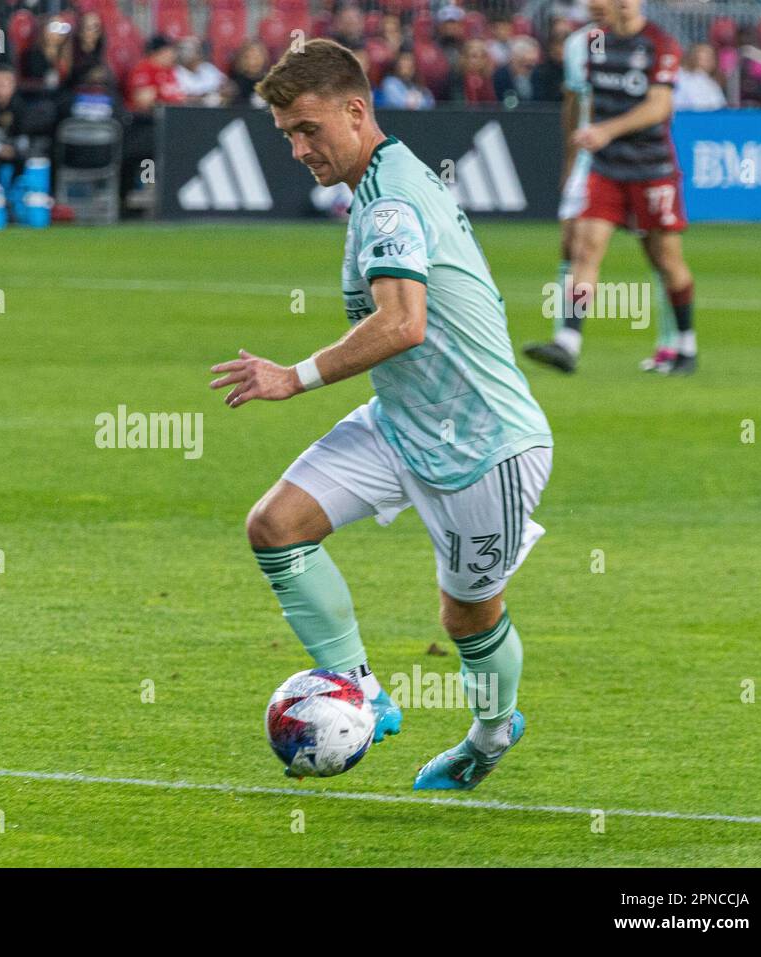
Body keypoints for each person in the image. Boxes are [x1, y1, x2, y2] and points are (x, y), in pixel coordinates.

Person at [208, 39, 552, 792]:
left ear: (356, 111)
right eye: (287, 136)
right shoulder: (379, 185)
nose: (299, 148)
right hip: (403, 419)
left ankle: (491, 734)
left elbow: (403, 323)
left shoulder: (391, 199)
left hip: (483, 444)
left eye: (308, 129)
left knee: (466, 619)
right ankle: (356, 683)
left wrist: (290, 378)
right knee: (276, 525)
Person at [523, 0, 697, 375]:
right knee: (584, 248)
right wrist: (577, 153)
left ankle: (685, 344)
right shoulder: (592, 44)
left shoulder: (659, 43)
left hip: (651, 169)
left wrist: (605, 131)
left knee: (665, 259)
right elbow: (578, 100)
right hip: (606, 169)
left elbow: (659, 106)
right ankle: (568, 344)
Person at [174, 36, 226, 107]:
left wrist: (219, 93)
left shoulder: (208, 68)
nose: (186, 54)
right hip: (185, 112)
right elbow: (179, 97)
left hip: (212, 112)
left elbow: (227, 87)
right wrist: (203, 98)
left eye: (193, 50)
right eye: (185, 51)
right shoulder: (175, 71)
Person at [673, 43, 726, 111]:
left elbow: (719, 106)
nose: (709, 60)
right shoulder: (683, 77)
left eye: (711, 56)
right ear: (693, 57)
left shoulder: (711, 82)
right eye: (705, 57)